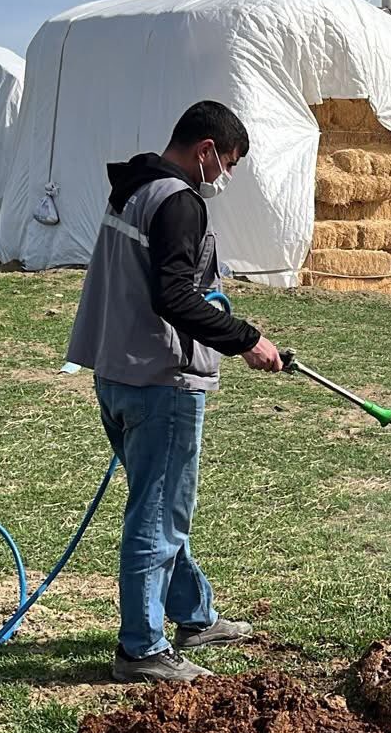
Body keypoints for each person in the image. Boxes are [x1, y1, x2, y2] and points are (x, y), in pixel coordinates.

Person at [66, 99, 284, 682]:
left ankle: (191, 614)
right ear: (205, 150)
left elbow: (157, 281)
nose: (226, 177)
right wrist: (246, 339)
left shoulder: (134, 187)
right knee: (159, 514)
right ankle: (141, 648)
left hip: (116, 372)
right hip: (160, 380)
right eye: (228, 162)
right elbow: (172, 297)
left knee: (160, 504)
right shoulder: (178, 200)